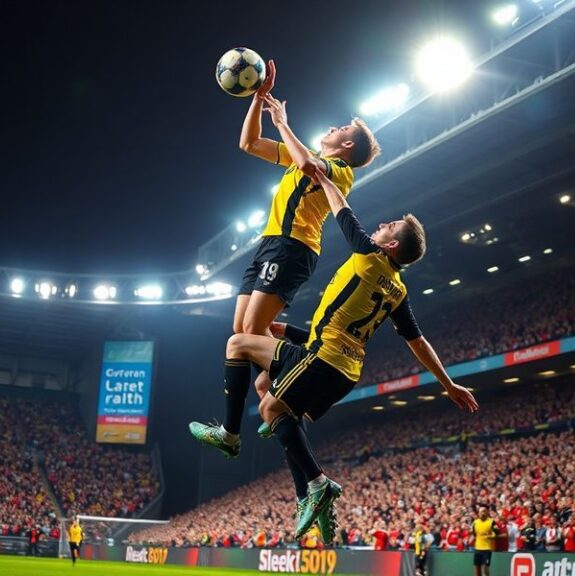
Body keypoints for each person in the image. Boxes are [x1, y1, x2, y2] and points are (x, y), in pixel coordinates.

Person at [189, 163, 478, 544]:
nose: (381, 227)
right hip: (342, 370)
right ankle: (307, 496)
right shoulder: (397, 290)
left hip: (323, 360)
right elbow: (416, 341)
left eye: (388, 228)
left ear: (390, 245)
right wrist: (448, 383)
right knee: (269, 394)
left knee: (241, 350)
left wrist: (323, 177)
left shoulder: (369, 256)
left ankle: (240, 440)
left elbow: (343, 210)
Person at [215, 59, 381, 453]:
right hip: (268, 245)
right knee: (240, 330)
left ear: (347, 146)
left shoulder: (340, 172)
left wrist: (282, 121)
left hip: (293, 249)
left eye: (339, 129)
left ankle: (275, 393)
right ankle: (275, 381)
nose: (331, 128)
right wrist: (257, 99)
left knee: (245, 336)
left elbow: (307, 164)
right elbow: (248, 143)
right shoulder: (303, 153)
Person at [471, 507, 498, 576]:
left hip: (487, 549)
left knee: (485, 569)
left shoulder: (492, 522)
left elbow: (496, 533)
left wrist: (490, 536)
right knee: (477, 570)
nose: (482, 513)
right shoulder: (475, 522)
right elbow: (474, 534)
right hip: (478, 549)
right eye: (480, 512)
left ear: (487, 512)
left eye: (484, 511)